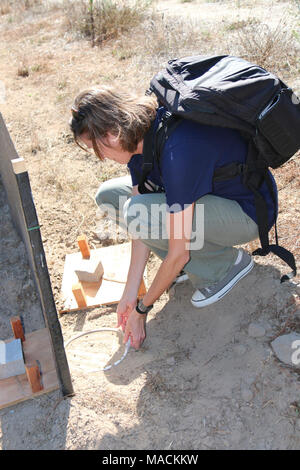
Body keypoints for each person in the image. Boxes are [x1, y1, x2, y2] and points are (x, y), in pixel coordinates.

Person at [69, 85, 278, 350]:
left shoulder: (177, 151)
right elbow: (139, 224)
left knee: (141, 213)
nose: (102, 158)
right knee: (111, 195)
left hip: (246, 212)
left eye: (97, 148)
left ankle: (224, 268)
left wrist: (142, 310)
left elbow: (172, 247)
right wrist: (130, 292)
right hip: (208, 199)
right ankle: (184, 268)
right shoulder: (137, 137)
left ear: (112, 135)